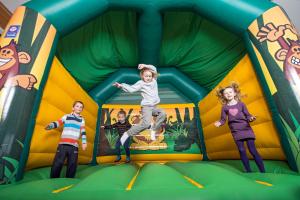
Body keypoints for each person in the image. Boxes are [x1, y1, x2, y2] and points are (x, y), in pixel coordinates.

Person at [214, 83, 265, 173]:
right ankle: (248, 170)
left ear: (234, 93)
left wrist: (251, 118)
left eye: (230, 92)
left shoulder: (241, 104)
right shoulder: (224, 107)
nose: (228, 94)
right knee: (241, 150)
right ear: (223, 96)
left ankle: (262, 170)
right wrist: (219, 123)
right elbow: (223, 120)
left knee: (252, 150)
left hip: (246, 129)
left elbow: (248, 115)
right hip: (236, 131)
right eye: (226, 93)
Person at [113, 64, 166, 145]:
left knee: (163, 113)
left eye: (149, 76)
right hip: (146, 107)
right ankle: (126, 134)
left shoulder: (154, 80)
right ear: (142, 76)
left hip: (154, 106)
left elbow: (154, 68)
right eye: (146, 76)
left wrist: (145, 65)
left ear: (152, 76)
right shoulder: (141, 83)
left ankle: (153, 130)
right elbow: (131, 89)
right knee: (146, 124)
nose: (148, 78)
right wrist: (121, 85)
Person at [45, 100, 87, 178]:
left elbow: (83, 131)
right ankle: (53, 179)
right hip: (63, 144)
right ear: (73, 108)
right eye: (77, 106)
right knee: (58, 162)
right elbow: (58, 122)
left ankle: (69, 180)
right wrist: (51, 125)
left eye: (81, 107)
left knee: (72, 164)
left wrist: (84, 142)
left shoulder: (82, 120)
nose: (79, 108)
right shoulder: (67, 116)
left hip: (74, 146)